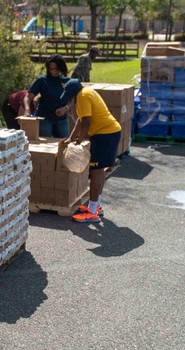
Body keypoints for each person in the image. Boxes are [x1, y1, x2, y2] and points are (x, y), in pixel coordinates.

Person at [60, 79, 122, 223]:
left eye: (70, 96)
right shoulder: (87, 91)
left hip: (104, 135)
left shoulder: (83, 96)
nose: (69, 99)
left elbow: (87, 122)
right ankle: (96, 206)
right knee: (99, 171)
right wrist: (71, 138)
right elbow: (80, 121)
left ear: (73, 94)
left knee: (95, 172)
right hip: (109, 133)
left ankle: (92, 212)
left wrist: (79, 142)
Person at [27, 54, 71, 138]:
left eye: (55, 69)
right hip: (44, 118)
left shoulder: (67, 81)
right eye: (50, 69)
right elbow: (28, 97)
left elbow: (73, 100)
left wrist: (66, 108)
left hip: (61, 118)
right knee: (45, 143)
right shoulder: (42, 80)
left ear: (61, 68)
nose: (53, 71)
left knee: (64, 143)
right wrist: (27, 109)